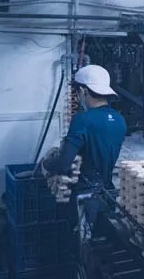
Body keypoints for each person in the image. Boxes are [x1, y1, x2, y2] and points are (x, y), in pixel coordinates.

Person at [40, 64, 126, 232]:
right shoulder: (119, 120)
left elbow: (65, 163)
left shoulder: (83, 120)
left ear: (84, 91)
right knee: (103, 240)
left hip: (85, 198)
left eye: (77, 93)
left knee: (85, 247)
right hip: (108, 193)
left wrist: (46, 164)